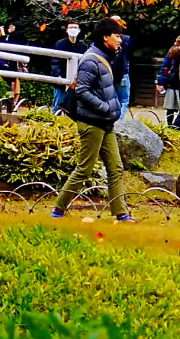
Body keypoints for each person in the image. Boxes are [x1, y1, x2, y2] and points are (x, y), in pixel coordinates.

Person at [49, 16, 132, 222]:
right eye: (116, 36)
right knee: (85, 169)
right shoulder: (90, 60)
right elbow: (82, 91)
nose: (120, 39)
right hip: (92, 123)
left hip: (105, 123)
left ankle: (121, 214)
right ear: (106, 37)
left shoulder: (107, 56)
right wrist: (104, 108)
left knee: (115, 168)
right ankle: (58, 210)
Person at [48, 20, 83, 113]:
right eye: (71, 27)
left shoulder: (82, 46)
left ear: (79, 30)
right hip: (61, 81)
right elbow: (55, 61)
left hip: (77, 82)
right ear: (67, 30)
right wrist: (57, 76)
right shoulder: (60, 44)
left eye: (75, 27)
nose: (73, 30)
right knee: (58, 105)